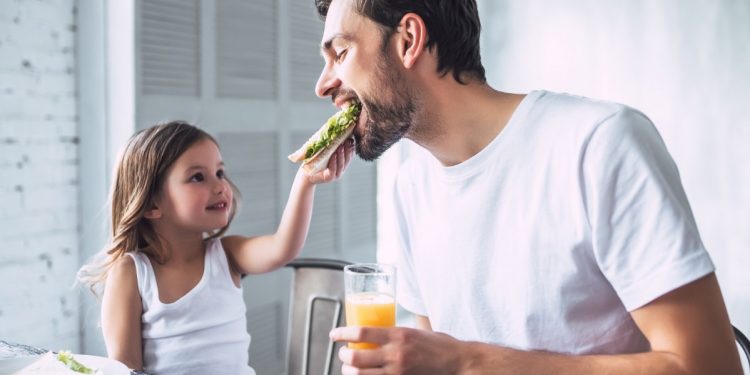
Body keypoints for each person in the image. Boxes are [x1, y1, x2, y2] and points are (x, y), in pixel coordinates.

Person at [313, 0, 743, 373]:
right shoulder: (410, 187)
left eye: (341, 53)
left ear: (408, 39)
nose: (323, 84)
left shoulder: (600, 143)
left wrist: (467, 363)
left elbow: (709, 366)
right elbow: (434, 354)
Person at [77, 121, 354, 374]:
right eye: (198, 177)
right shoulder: (132, 273)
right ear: (151, 204)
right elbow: (125, 369)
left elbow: (283, 247)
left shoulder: (227, 254)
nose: (220, 186)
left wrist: (306, 180)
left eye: (220, 172)